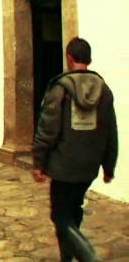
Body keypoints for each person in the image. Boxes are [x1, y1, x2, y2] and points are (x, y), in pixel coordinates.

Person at [32, 37, 118, 262]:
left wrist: (39, 162)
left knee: (60, 217)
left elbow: (47, 128)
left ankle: (88, 257)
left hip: (63, 166)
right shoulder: (104, 90)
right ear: (88, 59)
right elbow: (111, 132)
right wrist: (108, 166)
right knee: (73, 211)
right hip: (89, 166)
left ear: (69, 58)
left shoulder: (61, 88)